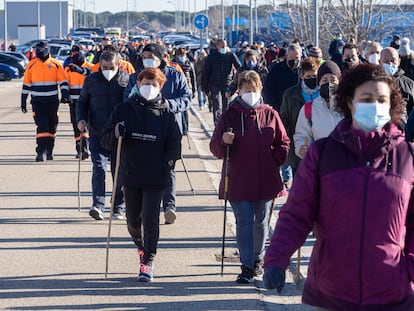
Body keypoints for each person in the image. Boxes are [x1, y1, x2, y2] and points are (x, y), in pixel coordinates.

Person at [263, 63, 414, 310]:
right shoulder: (323, 154)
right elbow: (297, 213)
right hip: (331, 291)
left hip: (392, 293)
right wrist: (276, 259)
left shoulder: (407, 157)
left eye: (381, 99)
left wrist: (407, 267)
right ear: (349, 102)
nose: (375, 105)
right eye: (366, 98)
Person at [101, 68, 182, 282]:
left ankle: (148, 261)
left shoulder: (167, 113)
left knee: (150, 219)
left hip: (156, 176)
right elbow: (105, 139)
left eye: (154, 84)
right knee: (132, 222)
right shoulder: (123, 109)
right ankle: (141, 246)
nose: (149, 88)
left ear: (160, 87)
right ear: (138, 83)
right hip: (130, 173)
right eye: (146, 83)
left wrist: (168, 163)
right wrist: (115, 133)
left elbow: (174, 145)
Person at [210, 70, 290, 284]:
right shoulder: (229, 115)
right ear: (239, 91)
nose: (250, 94)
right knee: (244, 220)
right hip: (238, 178)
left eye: (254, 90)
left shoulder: (270, 114)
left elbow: (283, 142)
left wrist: (275, 159)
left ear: (260, 90)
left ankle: (257, 259)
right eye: (246, 90)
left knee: (262, 221)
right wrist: (224, 142)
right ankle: (246, 265)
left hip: (266, 177)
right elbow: (215, 148)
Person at [124, 43, 191, 225]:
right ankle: (143, 208)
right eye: (145, 55)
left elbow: (186, 98)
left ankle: (169, 206)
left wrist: (169, 106)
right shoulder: (135, 77)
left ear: (161, 58)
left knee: (168, 166)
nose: (148, 59)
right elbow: (126, 99)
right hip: (141, 129)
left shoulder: (175, 75)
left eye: (152, 56)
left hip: (168, 127)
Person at [76, 51, 129, 221]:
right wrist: (81, 119)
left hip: (118, 134)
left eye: (111, 67)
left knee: (118, 171)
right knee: (99, 168)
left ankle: (118, 207)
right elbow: (82, 102)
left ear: (118, 65)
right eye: (104, 67)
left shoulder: (126, 80)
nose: (107, 70)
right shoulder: (91, 80)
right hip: (97, 132)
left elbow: (131, 105)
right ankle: (98, 205)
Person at [21, 41, 70, 162]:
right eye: (38, 49)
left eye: (41, 49)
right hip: (37, 102)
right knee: (42, 126)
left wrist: (64, 94)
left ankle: (49, 150)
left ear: (47, 49)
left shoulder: (56, 64)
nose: (39, 51)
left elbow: (63, 81)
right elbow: (27, 83)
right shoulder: (32, 64)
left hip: (52, 101)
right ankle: (40, 151)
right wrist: (23, 100)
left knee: (52, 127)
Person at [294, 60, 343, 159]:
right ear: (319, 84)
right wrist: (301, 148)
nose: (329, 83)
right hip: (322, 165)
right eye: (324, 80)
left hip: (348, 165)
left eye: (333, 80)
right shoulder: (309, 109)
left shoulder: (350, 106)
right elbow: (302, 135)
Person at [280, 57, 320, 177]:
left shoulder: (324, 94)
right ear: (302, 76)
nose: (312, 79)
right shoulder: (290, 94)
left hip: (320, 144)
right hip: (299, 146)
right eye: (308, 77)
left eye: (314, 76)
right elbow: (284, 120)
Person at [63, 45, 94, 159]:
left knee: (89, 126)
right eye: (72, 53)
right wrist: (65, 94)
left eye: (77, 53)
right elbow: (64, 82)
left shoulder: (90, 67)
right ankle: (81, 149)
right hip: (74, 102)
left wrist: (81, 71)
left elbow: (93, 75)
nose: (74, 55)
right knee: (77, 126)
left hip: (90, 102)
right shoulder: (68, 68)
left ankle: (87, 147)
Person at [202, 38, 242, 124]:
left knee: (226, 105)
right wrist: (204, 88)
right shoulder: (211, 57)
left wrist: (237, 81)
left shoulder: (230, 55)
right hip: (215, 84)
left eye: (225, 45)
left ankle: (226, 123)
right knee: (217, 105)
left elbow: (239, 68)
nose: (224, 47)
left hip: (227, 84)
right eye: (222, 46)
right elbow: (206, 73)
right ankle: (218, 124)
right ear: (217, 46)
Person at [263, 43, 302, 112]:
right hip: (281, 109)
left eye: (297, 58)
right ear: (286, 56)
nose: (294, 60)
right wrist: (276, 108)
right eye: (291, 58)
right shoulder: (276, 69)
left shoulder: (303, 70)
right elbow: (268, 90)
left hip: (300, 111)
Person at [380, 47, 414, 123]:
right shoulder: (373, 82)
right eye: (386, 61)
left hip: (402, 129)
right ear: (380, 62)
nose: (390, 64)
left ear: (398, 62)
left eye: (393, 60)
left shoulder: (409, 84)